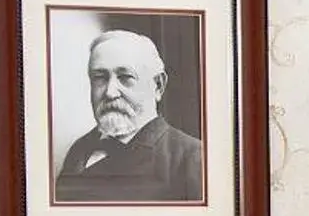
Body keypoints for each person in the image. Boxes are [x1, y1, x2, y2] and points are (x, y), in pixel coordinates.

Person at [54, 27, 205, 203]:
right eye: (100, 77)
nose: (110, 93)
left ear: (158, 86)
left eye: (125, 77)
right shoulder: (80, 149)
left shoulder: (193, 158)